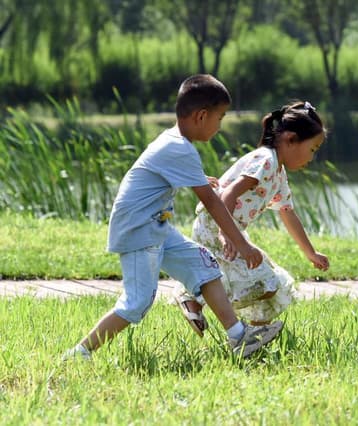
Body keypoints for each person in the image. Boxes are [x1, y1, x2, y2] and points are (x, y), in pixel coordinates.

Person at [64, 74, 283, 360]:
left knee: (205, 266)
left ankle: (240, 339)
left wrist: (198, 178)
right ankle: (79, 353)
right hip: (138, 229)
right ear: (201, 116)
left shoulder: (175, 142)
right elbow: (214, 204)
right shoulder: (179, 148)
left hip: (155, 225)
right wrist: (241, 243)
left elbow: (155, 175)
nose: (220, 125)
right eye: (220, 117)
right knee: (136, 303)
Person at [173, 101, 330, 333]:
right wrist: (227, 235)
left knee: (272, 283)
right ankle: (191, 298)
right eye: (312, 149)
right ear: (290, 139)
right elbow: (228, 193)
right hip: (215, 224)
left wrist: (311, 253)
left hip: (230, 228)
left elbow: (287, 212)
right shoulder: (265, 161)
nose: (312, 157)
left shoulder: (278, 171)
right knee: (259, 281)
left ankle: (258, 333)